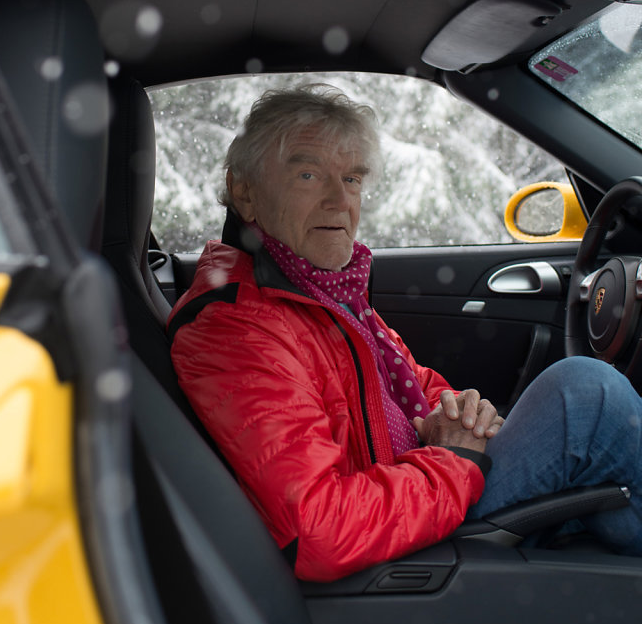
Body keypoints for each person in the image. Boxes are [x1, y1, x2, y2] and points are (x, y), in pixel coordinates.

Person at [168, 84, 642, 582]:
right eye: (309, 174)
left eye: (351, 179)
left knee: (598, 439)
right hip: (402, 550)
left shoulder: (320, 291)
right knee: (589, 397)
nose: (338, 200)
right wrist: (454, 459)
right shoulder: (238, 329)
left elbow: (412, 384)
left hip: (414, 492)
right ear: (244, 191)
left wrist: (460, 412)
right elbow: (316, 531)